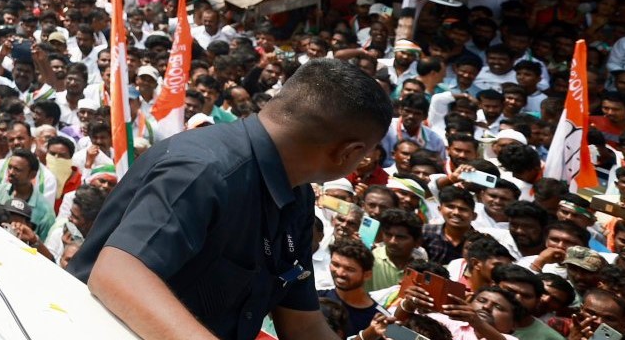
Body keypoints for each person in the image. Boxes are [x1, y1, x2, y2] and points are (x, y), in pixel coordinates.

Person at [68, 57, 395, 340]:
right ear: (348, 152)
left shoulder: (298, 200)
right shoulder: (205, 170)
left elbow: (304, 326)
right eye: (364, 156)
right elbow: (117, 274)